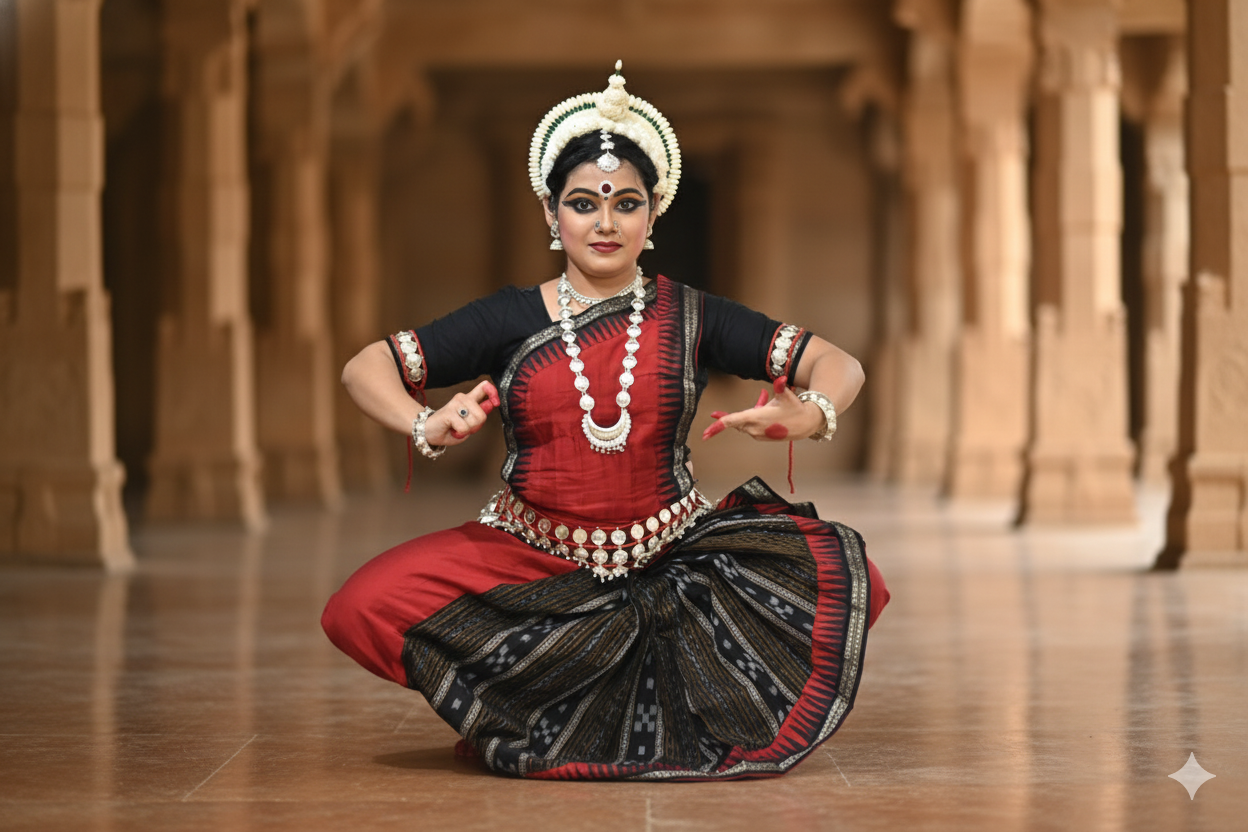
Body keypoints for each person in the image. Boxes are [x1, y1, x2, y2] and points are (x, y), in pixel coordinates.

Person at [322, 61, 889, 780]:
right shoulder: (507, 316)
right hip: (530, 553)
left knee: (847, 576)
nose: (605, 221)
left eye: (625, 203)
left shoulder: (693, 314)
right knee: (361, 606)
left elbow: (841, 364)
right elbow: (363, 366)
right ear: (551, 215)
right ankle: (523, 703)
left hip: (667, 551)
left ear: (652, 215)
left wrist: (811, 413)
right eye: (584, 203)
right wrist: (422, 424)